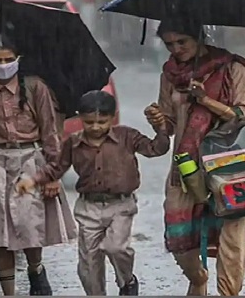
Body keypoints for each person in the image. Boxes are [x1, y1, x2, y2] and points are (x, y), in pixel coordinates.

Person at [143, 16, 245, 296]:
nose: (176, 49)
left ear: (198, 37)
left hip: (231, 163)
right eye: (169, 44)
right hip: (186, 165)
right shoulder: (170, 74)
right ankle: (198, 279)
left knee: (232, 234)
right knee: (178, 230)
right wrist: (158, 121)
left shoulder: (232, 68)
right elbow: (170, 124)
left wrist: (206, 100)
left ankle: (228, 293)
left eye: (181, 42)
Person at [16, 90, 170, 296]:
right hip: (89, 207)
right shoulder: (73, 143)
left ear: (112, 118)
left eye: (102, 122)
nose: (96, 127)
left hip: (121, 205)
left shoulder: (127, 136)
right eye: (89, 122)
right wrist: (33, 180)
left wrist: (161, 128)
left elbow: (156, 149)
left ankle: (127, 281)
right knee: (89, 260)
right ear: (80, 118)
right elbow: (56, 168)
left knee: (117, 248)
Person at [0, 38, 76, 296]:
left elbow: (50, 132)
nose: (3, 65)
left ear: (18, 60)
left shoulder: (35, 88)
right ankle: (8, 292)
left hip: (29, 161)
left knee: (30, 224)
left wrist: (52, 175)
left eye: (8, 59)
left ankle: (35, 268)